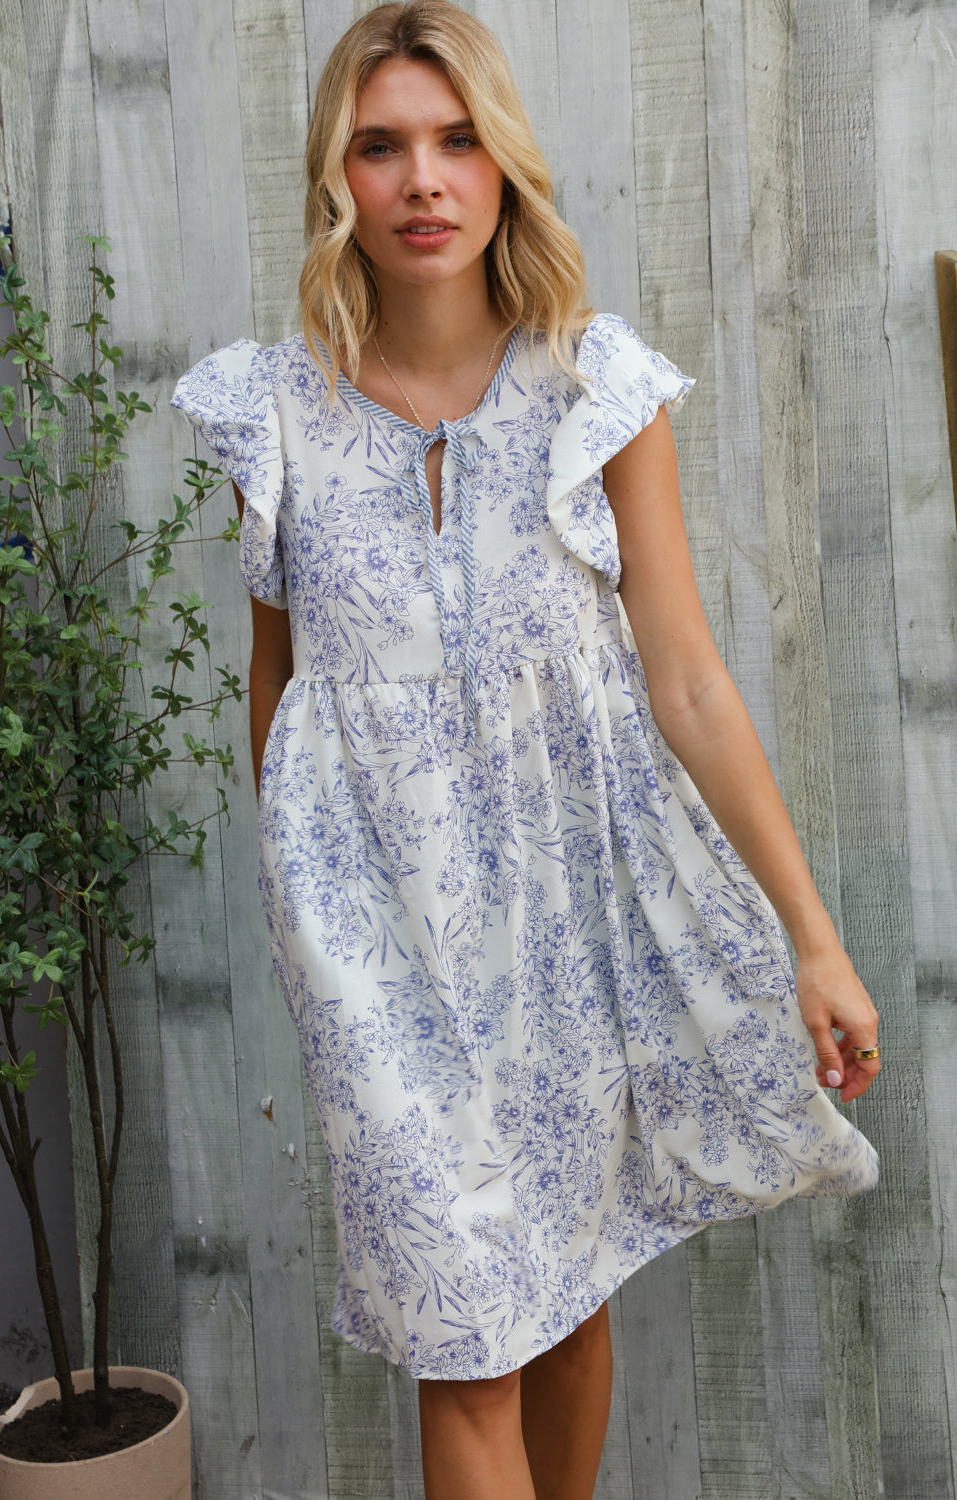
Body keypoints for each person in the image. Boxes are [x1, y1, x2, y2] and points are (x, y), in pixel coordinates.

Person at [172, 4, 880, 1496]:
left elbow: (685, 679)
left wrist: (810, 936)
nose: (422, 180)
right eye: (381, 147)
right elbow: (278, 689)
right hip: (379, 963)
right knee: (465, 1343)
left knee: (557, 1309)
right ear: (334, 179)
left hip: (565, 932)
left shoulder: (595, 389)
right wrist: (315, 936)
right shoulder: (271, 412)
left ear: (502, 169)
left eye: (455, 141)